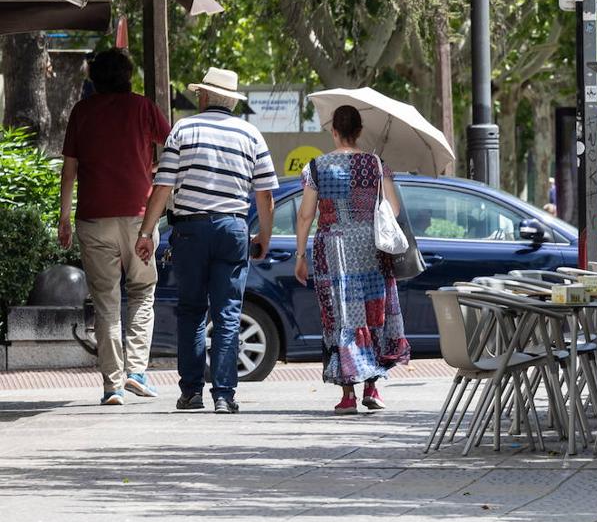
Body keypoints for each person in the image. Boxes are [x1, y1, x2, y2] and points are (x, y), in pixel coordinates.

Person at [134, 67, 277, 414]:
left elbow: (163, 185)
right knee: (228, 313)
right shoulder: (251, 134)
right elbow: (265, 195)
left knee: (192, 311)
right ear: (231, 100)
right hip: (232, 228)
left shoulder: (184, 129)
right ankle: (225, 394)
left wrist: (146, 232)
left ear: (202, 96)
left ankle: (192, 392)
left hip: (190, 231)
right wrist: (264, 237)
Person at [58, 49, 172, 406]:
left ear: (94, 78)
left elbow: (69, 170)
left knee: (106, 301)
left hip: (93, 219)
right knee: (142, 291)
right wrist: (152, 175)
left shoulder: (82, 112)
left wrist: (63, 216)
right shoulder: (142, 107)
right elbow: (173, 146)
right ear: (128, 76)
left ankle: (113, 385)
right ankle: (137, 371)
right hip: (140, 217)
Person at [293, 105, 411, 414]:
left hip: (332, 250)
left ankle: (348, 395)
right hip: (371, 248)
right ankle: (373, 388)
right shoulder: (375, 164)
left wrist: (300, 255)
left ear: (334, 131)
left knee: (341, 316)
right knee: (374, 314)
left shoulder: (316, 167)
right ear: (359, 131)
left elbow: (306, 215)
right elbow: (394, 210)